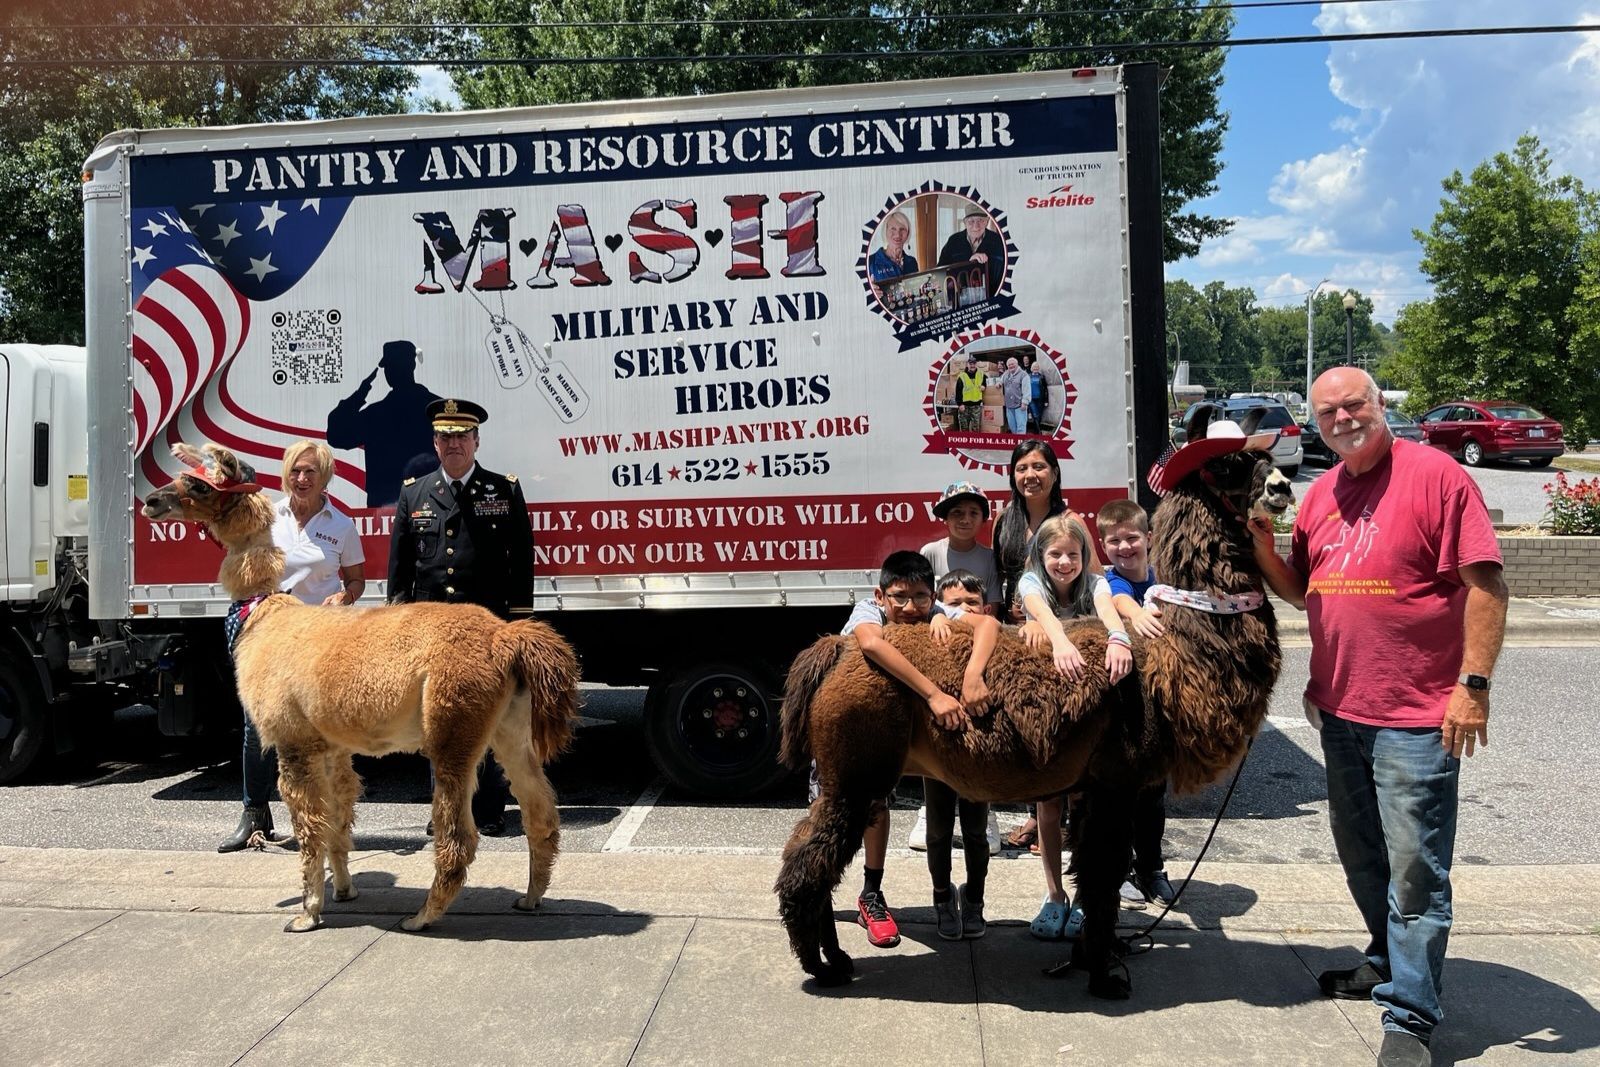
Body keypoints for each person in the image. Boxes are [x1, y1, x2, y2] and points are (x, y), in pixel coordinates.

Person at [1250, 368, 1507, 1067]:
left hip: (1419, 716)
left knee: (1416, 866)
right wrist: (1263, 550)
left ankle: (1411, 1014)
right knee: (1362, 854)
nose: (1343, 417)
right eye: (1328, 410)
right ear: (1316, 422)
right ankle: (1387, 958)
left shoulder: (1438, 477)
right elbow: (1307, 593)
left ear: (1380, 403)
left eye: (1353, 403)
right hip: (1340, 710)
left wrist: (1473, 685)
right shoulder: (1322, 495)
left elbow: (1486, 584)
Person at [824, 550, 1000, 949]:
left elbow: (987, 623)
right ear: (881, 594)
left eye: (920, 598)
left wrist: (972, 674)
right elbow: (872, 644)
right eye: (899, 597)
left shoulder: (935, 608)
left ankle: (886, 892)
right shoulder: (868, 610)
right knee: (848, 809)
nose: (909, 607)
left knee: (960, 823)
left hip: (916, 736)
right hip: (856, 725)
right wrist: (935, 694)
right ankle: (829, 897)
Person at [389, 398, 534, 836]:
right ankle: (447, 812)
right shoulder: (414, 492)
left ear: (476, 441)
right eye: (445, 436)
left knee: (485, 718)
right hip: (432, 633)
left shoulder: (502, 491)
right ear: (435, 443)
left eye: (461, 436)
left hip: (485, 631)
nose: (454, 444)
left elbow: (522, 563)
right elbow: (400, 570)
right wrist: (399, 626)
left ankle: (488, 808)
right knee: (437, 724)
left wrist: (517, 626)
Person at [216, 440, 365, 853]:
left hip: (318, 641)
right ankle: (254, 815)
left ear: (324, 478)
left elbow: (356, 579)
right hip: (270, 635)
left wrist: (345, 597)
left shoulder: (341, 525)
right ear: (286, 474)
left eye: (310, 472)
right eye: (295, 471)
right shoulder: (266, 517)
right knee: (255, 727)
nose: (301, 479)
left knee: (320, 729)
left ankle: (326, 820)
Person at [1014, 512, 1134, 939]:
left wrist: (1118, 637)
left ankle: (1086, 897)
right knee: (1047, 804)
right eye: (1054, 554)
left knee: (1086, 804)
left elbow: (1107, 610)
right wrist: (1061, 639)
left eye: (1073, 554)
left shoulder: (1097, 584)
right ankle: (1054, 894)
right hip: (1047, 710)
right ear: (1039, 556)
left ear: (1085, 555)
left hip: (1087, 713)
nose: (1064, 562)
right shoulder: (1030, 584)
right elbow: (1041, 614)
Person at [909, 482, 1004, 854]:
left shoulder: (989, 557)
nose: (965, 519)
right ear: (945, 518)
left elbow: (992, 608)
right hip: (938, 647)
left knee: (980, 723)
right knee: (936, 728)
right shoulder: (930, 553)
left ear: (983, 518)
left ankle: (986, 809)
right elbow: (919, 601)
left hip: (978, 647)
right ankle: (928, 807)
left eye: (973, 513)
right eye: (957, 513)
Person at [1095, 498, 1177, 909]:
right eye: (1114, 541)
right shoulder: (1112, 583)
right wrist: (1138, 616)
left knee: (1154, 798)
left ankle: (1153, 867)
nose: (1125, 548)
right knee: (1120, 797)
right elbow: (1120, 600)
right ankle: (1123, 867)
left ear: (1149, 538)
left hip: (1161, 710)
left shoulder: (1166, 579)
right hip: (1126, 708)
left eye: (1131, 539)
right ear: (1103, 546)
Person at [991, 440, 1068, 851]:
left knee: (1058, 730)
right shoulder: (1004, 519)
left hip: (1058, 636)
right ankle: (1034, 817)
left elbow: (1089, 581)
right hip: (1013, 635)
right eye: (1022, 468)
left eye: (1039, 466)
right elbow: (998, 578)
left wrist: (1050, 623)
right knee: (1025, 728)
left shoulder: (1069, 521)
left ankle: (1058, 821)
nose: (1030, 475)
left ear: (1054, 473)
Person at [326, 339, 441, 509]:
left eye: (390, 367)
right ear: (413, 366)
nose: (389, 372)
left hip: (386, 511)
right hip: (432, 502)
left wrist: (360, 394)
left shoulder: (377, 414)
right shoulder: (436, 408)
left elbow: (337, 434)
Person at [937, 203, 1006, 296]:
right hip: (959, 299)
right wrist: (968, 263)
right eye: (971, 221)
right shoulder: (953, 241)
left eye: (980, 220)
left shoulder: (999, 242)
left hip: (991, 299)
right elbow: (940, 273)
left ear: (987, 221)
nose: (976, 226)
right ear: (965, 222)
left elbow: (1005, 275)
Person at [867, 209, 918, 281]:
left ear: (908, 233)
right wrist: (871, 290)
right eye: (893, 229)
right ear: (885, 231)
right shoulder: (870, 262)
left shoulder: (912, 262)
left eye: (902, 229)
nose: (898, 234)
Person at [955, 356, 986, 432]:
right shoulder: (962, 376)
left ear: (976, 364)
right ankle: (965, 444)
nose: (972, 365)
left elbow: (986, 382)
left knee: (976, 428)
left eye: (974, 363)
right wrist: (960, 404)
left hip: (976, 406)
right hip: (964, 406)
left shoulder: (981, 374)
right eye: (970, 363)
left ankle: (974, 443)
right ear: (967, 365)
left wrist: (984, 386)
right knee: (964, 428)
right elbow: (958, 391)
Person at [999, 357, 1029, 434]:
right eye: (1009, 365)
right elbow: (1000, 381)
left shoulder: (1023, 374)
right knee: (1012, 427)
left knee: (1021, 427)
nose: (1011, 366)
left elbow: (1027, 390)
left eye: (1012, 364)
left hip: (1020, 405)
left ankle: (1021, 444)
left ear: (1017, 364)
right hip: (1009, 406)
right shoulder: (1006, 374)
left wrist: (1025, 402)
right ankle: (1016, 443)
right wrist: (998, 383)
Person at [1026, 354, 1046, 433]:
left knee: (1039, 416)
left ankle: (1035, 431)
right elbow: (1025, 388)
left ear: (1038, 368)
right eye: (1034, 367)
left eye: (1037, 367)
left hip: (1040, 399)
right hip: (1032, 399)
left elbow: (1045, 389)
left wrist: (1046, 400)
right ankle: (1039, 432)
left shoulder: (1042, 377)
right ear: (1031, 368)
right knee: (1035, 415)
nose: (1035, 368)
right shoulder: (1028, 377)